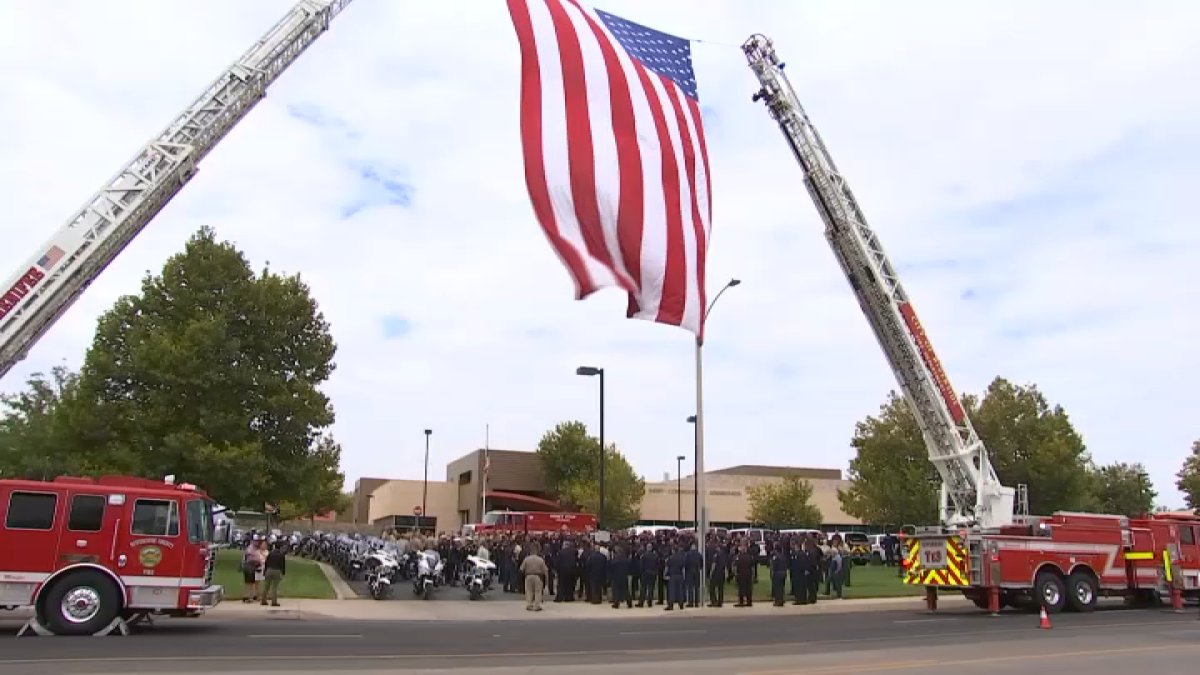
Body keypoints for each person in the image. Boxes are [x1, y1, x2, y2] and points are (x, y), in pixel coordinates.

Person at [519, 543, 549, 611]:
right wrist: (546, 581)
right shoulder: (540, 560)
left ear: (530, 552)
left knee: (529, 591)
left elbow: (521, 569)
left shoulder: (526, 559)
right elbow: (545, 570)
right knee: (538, 592)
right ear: (536, 552)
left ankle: (529, 605)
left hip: (528, 576)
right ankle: (537, 606)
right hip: (538, 577)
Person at [261, 541, 287, 607]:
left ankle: (263, 600)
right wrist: (283, 573)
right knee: (274, 587)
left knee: (266, 586)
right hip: (277, 571)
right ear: (280, 547)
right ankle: (274, 602)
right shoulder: (281, 555)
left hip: (269, 570)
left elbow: (266, 563)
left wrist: (264, 572)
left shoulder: (270, 554)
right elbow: (282, 565)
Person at [707, 540, 727, 608]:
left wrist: (710, 573)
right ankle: (720, 602)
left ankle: (714, 601)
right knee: (720, 588)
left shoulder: (716, 554)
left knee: (712, 587)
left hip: (716, 573)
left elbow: (714, 564)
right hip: (722, 573)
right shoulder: (723, 554)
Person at [664, 545, 686, 611]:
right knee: (680, 591)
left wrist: (664, 575)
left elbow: (666, 568)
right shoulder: (681, 558)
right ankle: (681, 605)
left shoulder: (670, 558)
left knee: (672, 591)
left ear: (673, 551)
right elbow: (683, 568)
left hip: (672, 576)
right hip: (680, 575)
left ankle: (671, 605)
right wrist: (683, 576)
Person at [733, 543, 755, 607]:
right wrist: (753, 575)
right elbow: (752, 567)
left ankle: (741, 601)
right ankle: (749, 601)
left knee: (741, 588)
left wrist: (735, 574)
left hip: (740, 574)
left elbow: (735, 566)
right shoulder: (750, 557)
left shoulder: (738, 557)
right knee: (748, 588)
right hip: (748, 574)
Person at [684, 542, 702, 608]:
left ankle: (691, 603)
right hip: (696, 571)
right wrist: (699, 568)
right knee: (696, 588)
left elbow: (685, 563)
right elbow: (701, 564)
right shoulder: (699, 554)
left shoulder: (688, 554)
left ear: (691, 547)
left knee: (690, 588)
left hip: (689, 572)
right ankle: (696, 603)